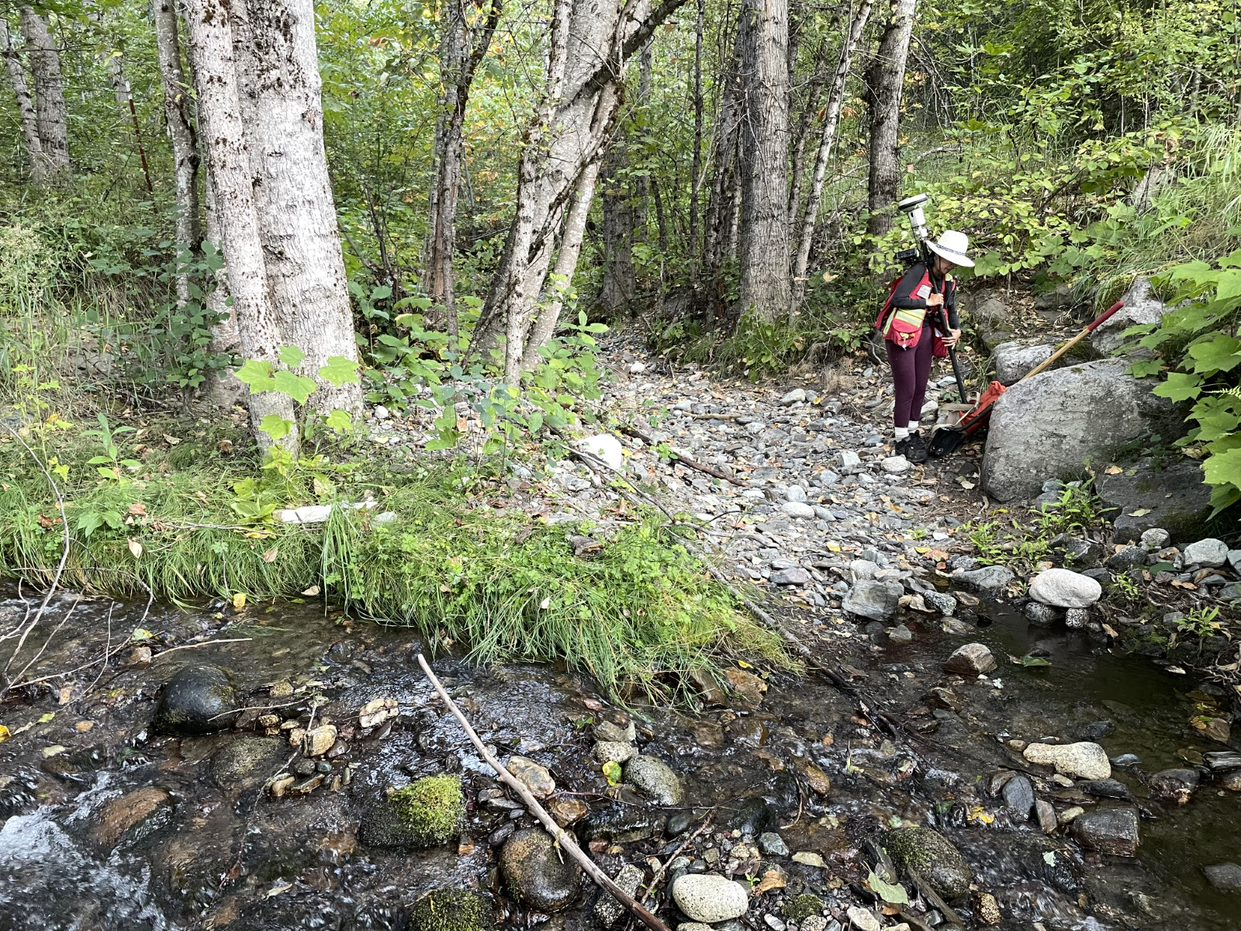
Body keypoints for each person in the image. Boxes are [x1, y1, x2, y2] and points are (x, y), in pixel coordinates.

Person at [878, 229, 973, 464]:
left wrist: (955, 329)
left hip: (926, 333)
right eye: (949, 261)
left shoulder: (947, 280)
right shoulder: (920, 270)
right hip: (903, 334)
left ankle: (913, 431)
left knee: (921, 386)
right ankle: (901, 438)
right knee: (907, 388)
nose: (951, 266)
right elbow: (899, 299)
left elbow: (951, 307)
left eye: (955, 262)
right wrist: (926, 301)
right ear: (938, 256)